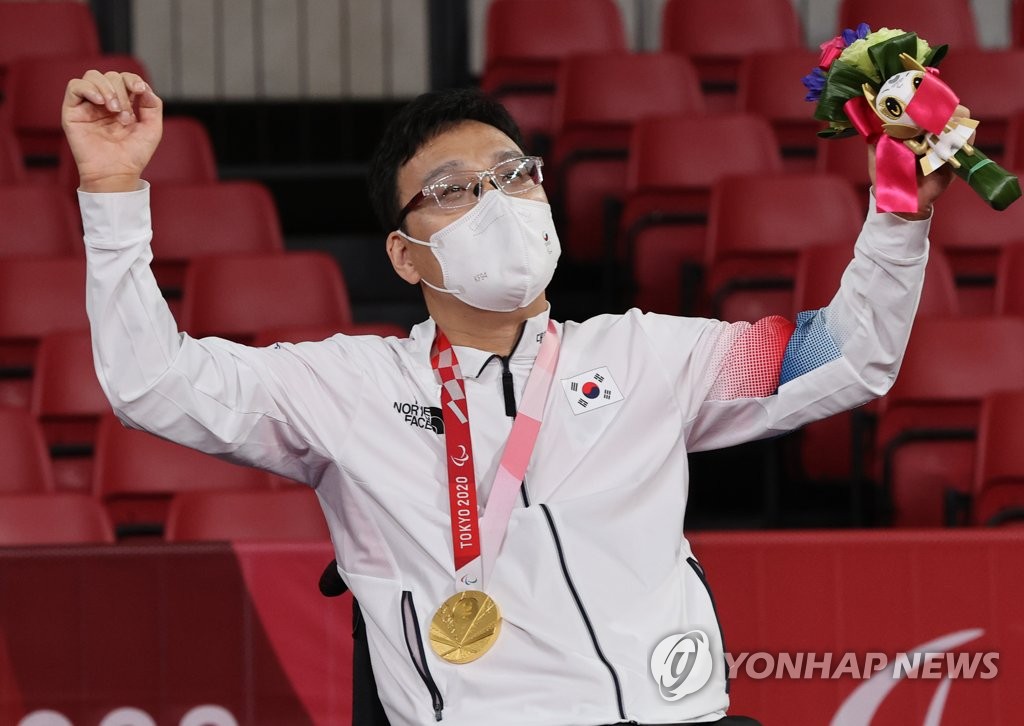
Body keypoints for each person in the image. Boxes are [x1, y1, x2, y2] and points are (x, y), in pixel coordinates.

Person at [62, 68, 959, 726]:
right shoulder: (346, 388)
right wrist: (111, 192)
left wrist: (898, 210)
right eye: (453, 191)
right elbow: (153, 381)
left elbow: (849, 352)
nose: (498, 201)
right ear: (406, 259)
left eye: (514, 174)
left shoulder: (650, 355)